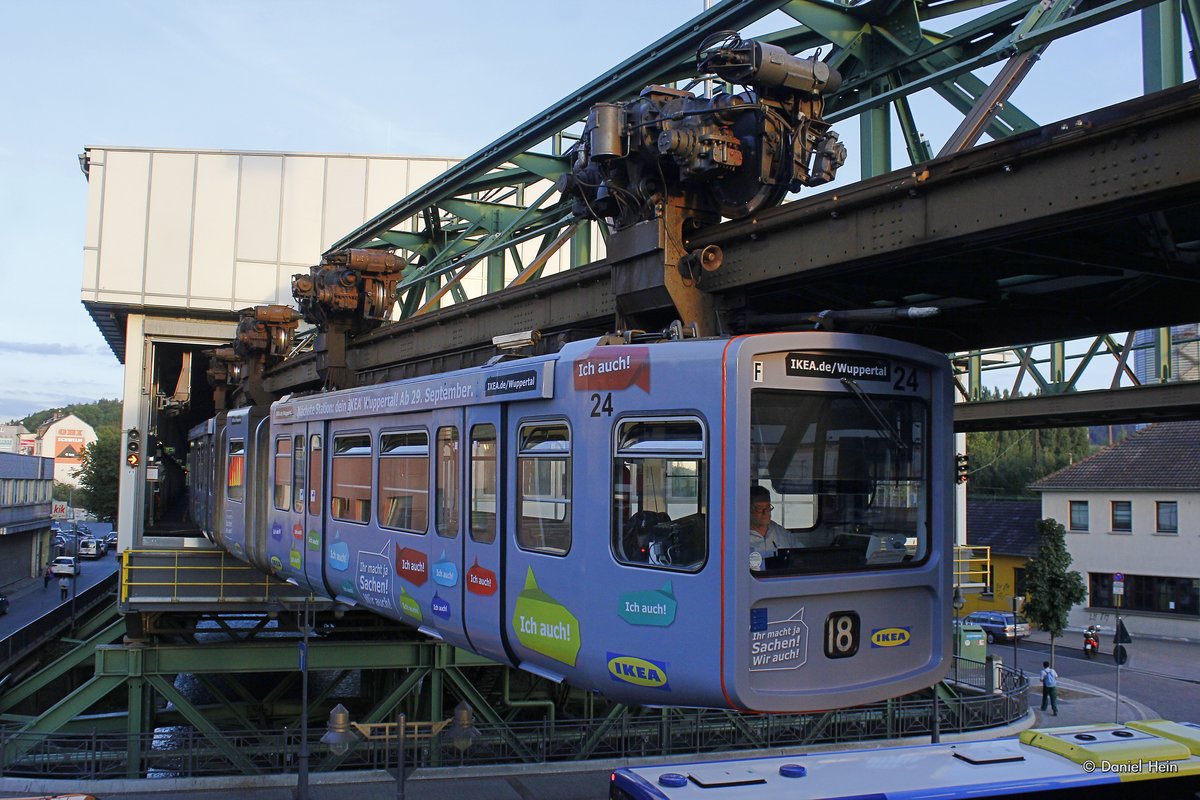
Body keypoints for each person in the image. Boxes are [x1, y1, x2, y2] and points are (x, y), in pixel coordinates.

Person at [749, 485, 800, 570]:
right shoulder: (739, 536)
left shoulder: (780, 532)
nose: (765, 513)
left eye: (768, 507)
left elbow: (801, 556)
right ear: (748, 509)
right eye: (759, 508)